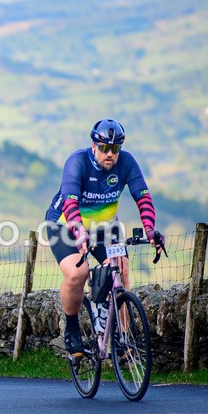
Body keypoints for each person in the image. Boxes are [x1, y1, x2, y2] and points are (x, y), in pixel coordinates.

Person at [44, 119, 164, 356]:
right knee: (78, 273)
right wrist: (80, 234)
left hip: (106, 228)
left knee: (122, 269)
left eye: (115, 148)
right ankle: (72, 329)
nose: (110, 153)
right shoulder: (77, 162)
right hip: (65, 225)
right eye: (105, 148)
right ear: (93, 146)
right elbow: (70, 202)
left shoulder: (127, 162)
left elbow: (143, 197)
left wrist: (150, 229)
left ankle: (123, 338)